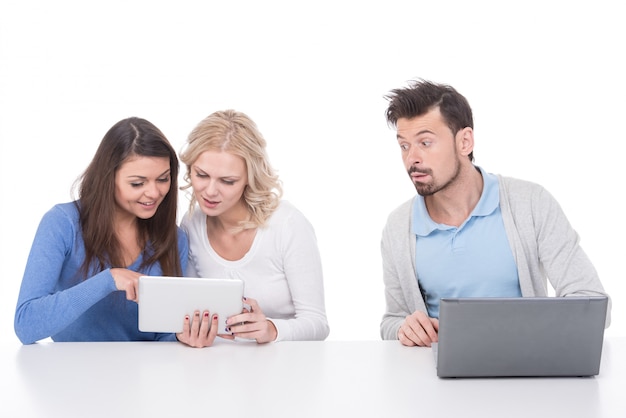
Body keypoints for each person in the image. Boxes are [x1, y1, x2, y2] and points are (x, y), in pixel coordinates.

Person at [379, 79, 611, 347]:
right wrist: (403, 329)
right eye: (404, 146)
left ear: (464, 142)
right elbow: (392, 320)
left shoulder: (530, 203)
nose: (412, 159)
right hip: (437, 379)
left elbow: (592, 302)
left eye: (426, 143)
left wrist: (526, 335)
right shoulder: (398, 227)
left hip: (524, 371)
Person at [14, 117, 208, 347]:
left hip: (146, 376)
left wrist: (180, 335)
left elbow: (162, 333)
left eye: (163, 179)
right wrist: (109, 280)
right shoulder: (62, 223)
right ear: (108, 178)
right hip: (71, 375)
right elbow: (26, 325)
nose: (154, 193)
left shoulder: (175, 238)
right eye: (137, 183)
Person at [179, 109, 330, 344]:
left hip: (283, 369)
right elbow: (190, 311)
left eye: (227, 181)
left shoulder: (287, 224)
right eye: (201, 175)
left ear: (250, 177)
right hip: (216, 369)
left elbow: (317, 323)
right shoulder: (191, 224)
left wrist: (271, 329)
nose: (210, 191)